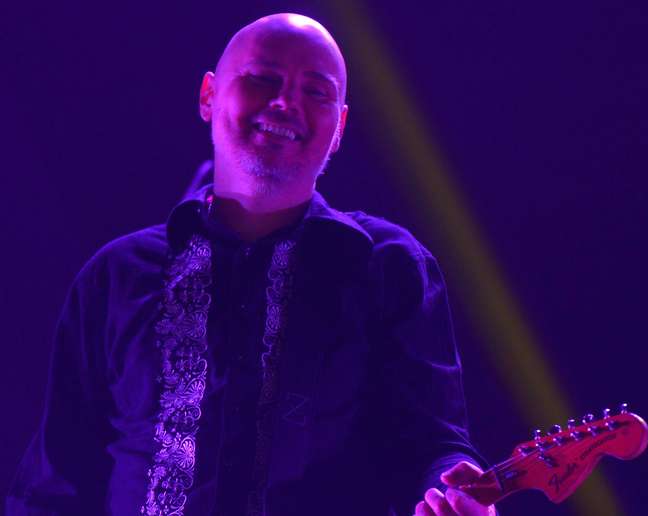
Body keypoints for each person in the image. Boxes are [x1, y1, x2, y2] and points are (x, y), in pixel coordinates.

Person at [7, 13, 497, 516]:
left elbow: (433, 442)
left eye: (316, 92)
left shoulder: (389, 266)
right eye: (263, 78)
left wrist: (454, 488)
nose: (286, 103)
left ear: (340, 127)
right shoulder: (117, 275)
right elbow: (55, 479)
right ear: (208, 96)